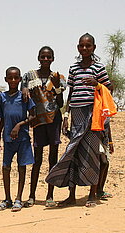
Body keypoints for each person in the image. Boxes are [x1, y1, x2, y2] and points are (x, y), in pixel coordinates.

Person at [45, 33, 113, 208]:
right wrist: (66, 115)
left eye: (88, 46)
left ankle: (91, 195)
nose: (84, 49)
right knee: (73, 152)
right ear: (78, 48)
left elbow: (109, 88)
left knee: (92, 154)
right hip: (76, 114)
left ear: (94, 48)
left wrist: (97, 84)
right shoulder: (73, 68)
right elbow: (71, 92)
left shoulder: (99, 68)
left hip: (93, 115)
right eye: (81, 46)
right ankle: (71, 195)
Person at [21, 46, 66, 208]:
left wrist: (57, 88)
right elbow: (24, 94)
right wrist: (25, 90)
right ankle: (32, 195)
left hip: (54, 120)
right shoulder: (29, 76)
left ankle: (49, 195)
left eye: (48, 57)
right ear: (38, 58)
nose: (45, 60)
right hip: (38, 121)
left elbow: (60, 104)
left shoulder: (58, 77)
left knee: (52, 159)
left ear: (53, 59)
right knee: (37, 159)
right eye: (43, 57)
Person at [0, 67, 35, 212]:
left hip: (22, 138)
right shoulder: (2, 97)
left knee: (21, 167)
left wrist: (19, 124)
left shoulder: (24, 96)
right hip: (8, 139)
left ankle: (19, 198)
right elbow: (1, 118)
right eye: (10, 78)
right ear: (6, 79)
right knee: (6, 167)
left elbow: (32, 115)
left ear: (19, 79)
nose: (13, 80)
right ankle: (7, 198)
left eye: (16, 78)